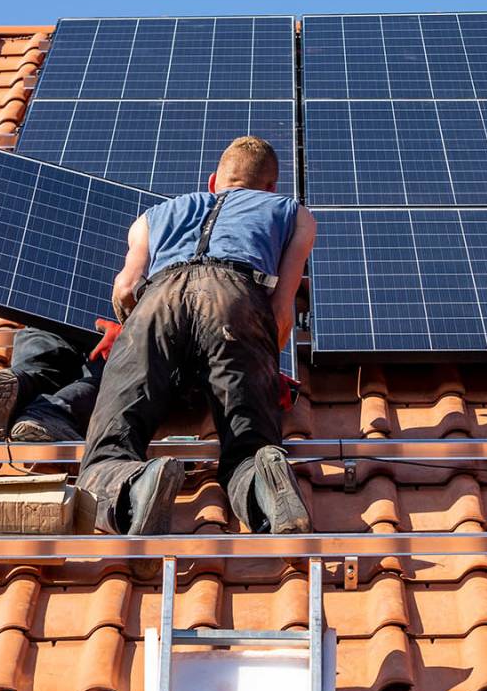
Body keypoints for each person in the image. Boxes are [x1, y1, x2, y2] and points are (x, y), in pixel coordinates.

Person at [76, 135, 318, 538]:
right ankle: (266, 485)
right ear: (272, 187)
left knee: (108, 445)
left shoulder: (153, 216)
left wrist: (151, 353)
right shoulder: (294, 214)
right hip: (236, 294)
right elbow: (281, 315)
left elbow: (124, 288)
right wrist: (245, 366)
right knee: (246, 444)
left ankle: (136, 484)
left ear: (212, 182)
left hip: (157, 299)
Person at [0, 326, 102, 444]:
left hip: (52, 309)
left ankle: (20, 382)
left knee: (40, 363)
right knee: (105, 378)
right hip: (105, 322)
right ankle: (47, 414)